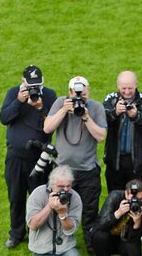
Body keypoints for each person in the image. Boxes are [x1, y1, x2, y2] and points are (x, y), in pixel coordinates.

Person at [0, 65, 57, 249]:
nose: (34, 88)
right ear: (23, 81)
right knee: (15, 196)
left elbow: (52, 124)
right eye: (30, 84)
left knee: (40, 197)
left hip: (39, 158)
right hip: (15, 157)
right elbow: (4, 118)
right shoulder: (13, 93)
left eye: (37, 84)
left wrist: (40, 107)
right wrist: (18, 101)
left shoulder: (49, 95)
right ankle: (16, 232)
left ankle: (41, 231)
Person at [44, 76, 107, 244]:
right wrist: (64, 110)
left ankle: (92, 244)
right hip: (62, 172)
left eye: (84, 95)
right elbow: (47, 127)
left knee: (90, 212)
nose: (80, 99)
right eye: (77, 95)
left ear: (88, 91)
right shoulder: (60, 103)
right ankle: (59, 242)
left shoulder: (96, 108)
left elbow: (101, 137)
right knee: (58, 206)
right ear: (69, 92)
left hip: (88, 170)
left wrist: (86, 117)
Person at [24, 165, 84, 256]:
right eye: (61, 187)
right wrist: (49, 207)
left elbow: (70, 229)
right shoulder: (38, 194)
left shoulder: (75, 198)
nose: (65, 191)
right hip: (42, 249)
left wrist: (62, 215)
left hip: (65, 247)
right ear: (51, 185)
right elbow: (32, 225)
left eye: (68, 186)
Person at [103, 71, 142, 191]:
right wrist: (115, 112)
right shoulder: (111, 99)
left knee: (137, 198)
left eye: (130, 88)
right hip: (114, 161)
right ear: (117, 85)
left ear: (136, 85)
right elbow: (101, 121)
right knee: (115, 197)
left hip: (137, 162)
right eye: (123, 88)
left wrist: (136, 116)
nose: (127, 92)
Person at [92, 179, 142, 256]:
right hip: (108, 237)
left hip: (125, 238)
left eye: (140, 198)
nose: (136, 201)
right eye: (133, 197)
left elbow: (137, 237)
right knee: (99, 237)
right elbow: (102, 225)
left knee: (134, 253)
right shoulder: (115, 197)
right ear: (126, 193)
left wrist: (137, 223)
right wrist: (118, 213)